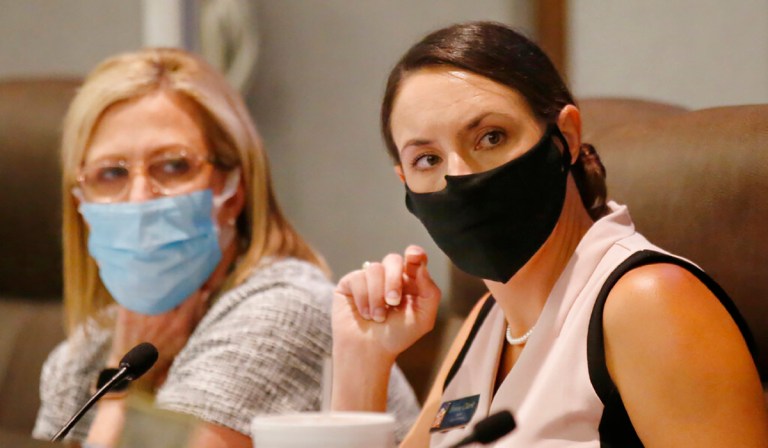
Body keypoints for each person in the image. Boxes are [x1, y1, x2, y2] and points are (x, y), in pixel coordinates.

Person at [331, 22, 768, 447]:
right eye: (427, 160)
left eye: (491, 137)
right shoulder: (487, 320)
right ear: (403, 180)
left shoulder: (650, 302)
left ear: (567, 136)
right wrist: (363, 358)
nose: (458, 176)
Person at [32, 48, 419, 447]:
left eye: (174, 166)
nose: (139, 198)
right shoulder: (86, 351)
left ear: (234, 190)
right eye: (111, 173)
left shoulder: (282, 312)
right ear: (81, 202)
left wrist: (118, 390)